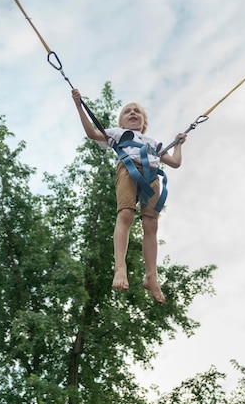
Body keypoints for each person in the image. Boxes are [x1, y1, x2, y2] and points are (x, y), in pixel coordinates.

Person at [72, 89, 187, 303]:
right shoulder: (118, 133)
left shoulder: (153, 143)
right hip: (128, 168)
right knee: (125, 214)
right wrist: (80, 106)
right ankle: (120, 267)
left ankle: (152, 276)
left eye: (137, 112)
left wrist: (178, 144)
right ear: (122, 122)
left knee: (151, 225)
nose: (133, 113)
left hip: (152, 175)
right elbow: (92, 133)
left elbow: (175, 162)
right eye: (128, 111)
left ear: (143, 122)